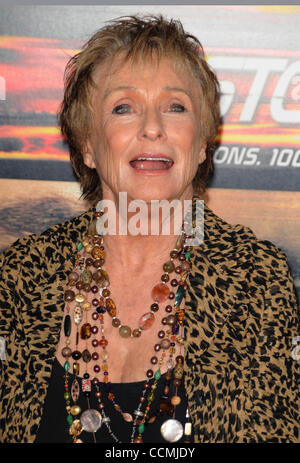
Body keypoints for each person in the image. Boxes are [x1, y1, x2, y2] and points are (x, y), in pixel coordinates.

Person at [0, 15, 299, 444]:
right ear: (87, 144)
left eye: (175, 107)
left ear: (201, 144)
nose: (153, 127)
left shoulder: (256, 279)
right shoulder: (25, 274)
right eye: (124, 107)